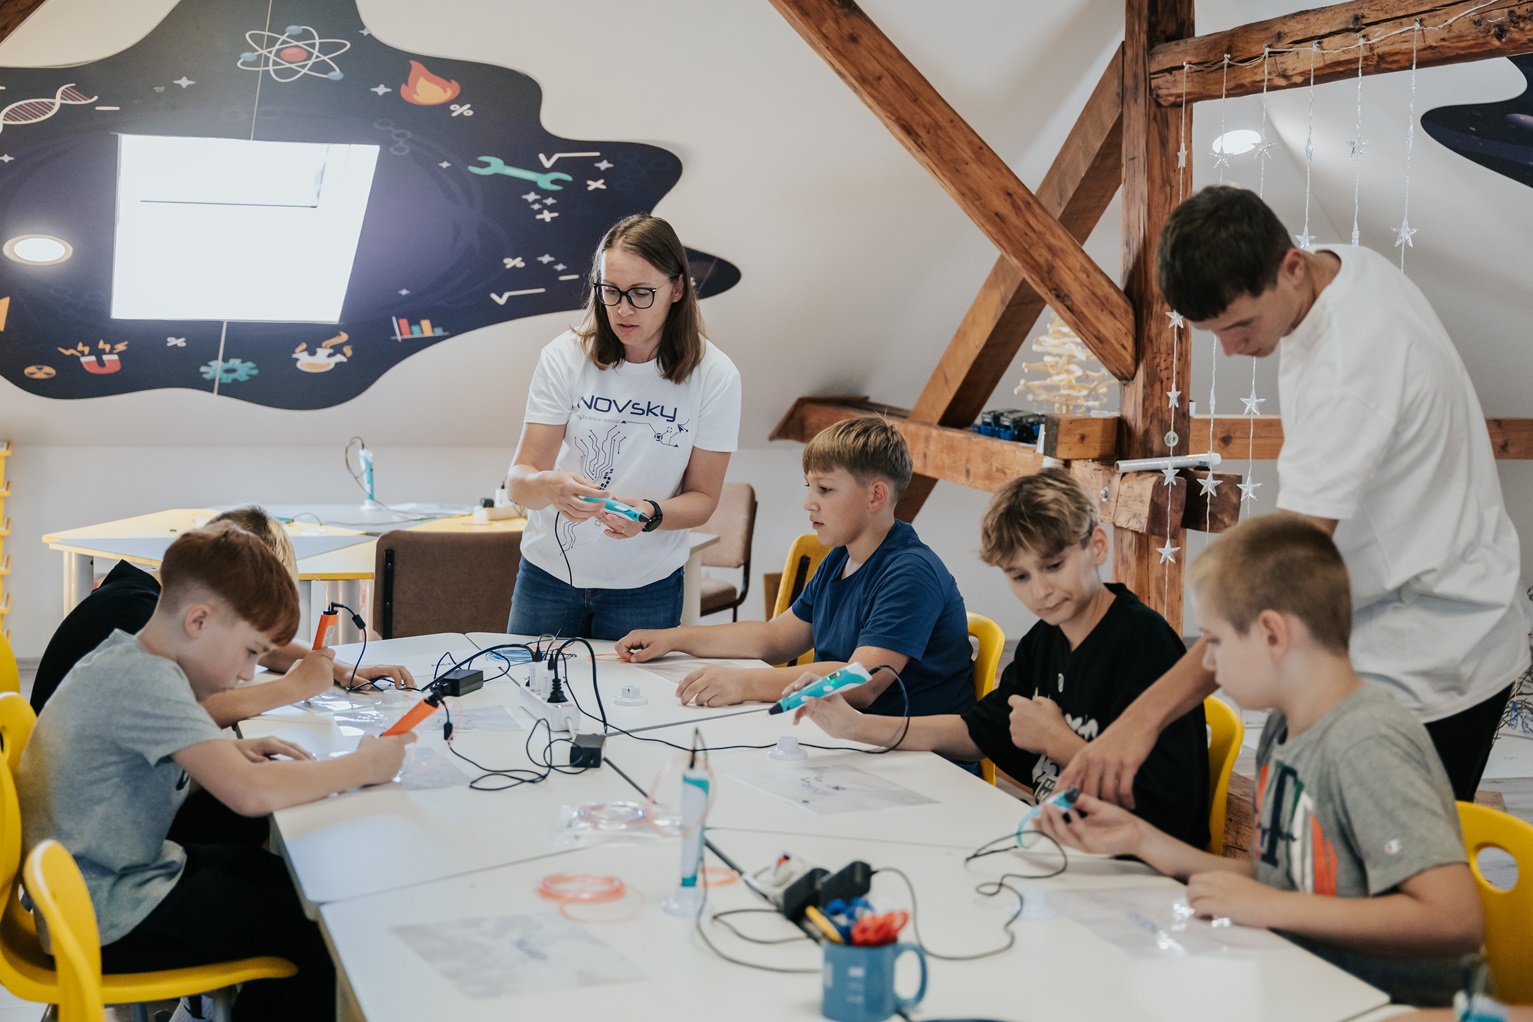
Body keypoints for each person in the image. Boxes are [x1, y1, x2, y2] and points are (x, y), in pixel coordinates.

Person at [1062, 184, 1528, 805]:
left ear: (1290, 265)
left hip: (1435, 646)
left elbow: (1275, 582)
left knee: (1373, 857)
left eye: (1240, 325)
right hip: (1376, 620)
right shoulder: (1339, 268)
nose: (1232, 349)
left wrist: (1142, 719)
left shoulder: (1350, 370)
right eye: (1212, 333)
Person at [1040, 516, 1483, 1007]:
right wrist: (1138, 838)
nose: (1209, 664)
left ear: (1272, 634)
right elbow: (1281, 883)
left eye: (1215, 641)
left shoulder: (1366, 742)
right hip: (1300, 980)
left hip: (1389, 1005)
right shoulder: (1283, 727)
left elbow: (1454, 921)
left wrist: (1272, 907)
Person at [17, 523, 415, 1021]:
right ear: (199, 621)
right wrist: (365, 764)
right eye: (250, 652)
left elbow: (138, 770)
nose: (248, 672)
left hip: (106, 885)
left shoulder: (129, 657)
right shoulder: (148, 681)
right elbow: (250, 794)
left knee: (299, 888)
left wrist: (226, 756)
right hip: (106, 915)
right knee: (325, 934)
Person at [792, 468, 1208, 845]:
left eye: (1054, 566)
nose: (1040, 590)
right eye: (1020, 576)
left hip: (1137, 866)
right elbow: (978, 731)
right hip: (1060, 843)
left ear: (1097, 547)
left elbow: (1167, 805)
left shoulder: (1142, 643)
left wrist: (1056, 741)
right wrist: (856, 726)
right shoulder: (1045, 640)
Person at [615, 417, 974, 722]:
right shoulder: (840, 558)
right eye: (809, 487)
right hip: (847, 734)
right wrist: (674, 638)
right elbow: (775, 639)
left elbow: (861, 680)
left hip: (913, 755)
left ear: (876, 496)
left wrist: (745, 683)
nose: (808, 503)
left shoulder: (910, 573)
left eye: (825, 489)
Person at [505, 214, 741, 640]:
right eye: (610, 291)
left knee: (631, 688)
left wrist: (650, 515)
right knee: (527, 681)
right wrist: (550, 486)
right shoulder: (565, 356)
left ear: (677, 288)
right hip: (548, 576)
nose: (623, 309)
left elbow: (703, 500)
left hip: (646, 587)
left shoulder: (715, 375)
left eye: (641, 293)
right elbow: (519, 482)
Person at [30, 504, 415, 718]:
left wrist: (340, 669)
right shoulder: (135, 614)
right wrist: (291, 689)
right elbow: (194, 711)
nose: (249, 664)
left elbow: (263, 645)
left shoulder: (153, 596)